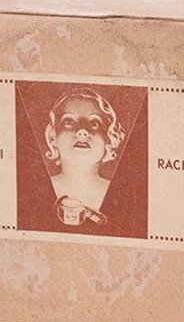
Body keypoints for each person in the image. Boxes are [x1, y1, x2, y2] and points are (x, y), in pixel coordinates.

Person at [43, 88, 125, 223]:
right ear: (53, 137)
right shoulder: (41, 187)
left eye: (94, 123)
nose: (82, 131)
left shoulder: (120, 192)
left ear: (108, 140)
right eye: (69, 121)